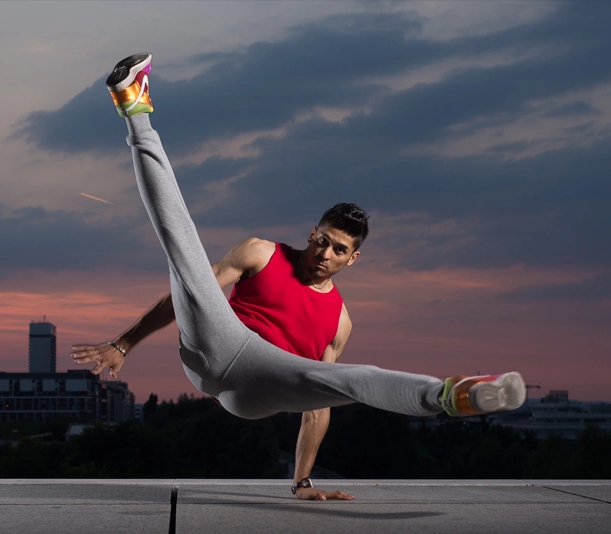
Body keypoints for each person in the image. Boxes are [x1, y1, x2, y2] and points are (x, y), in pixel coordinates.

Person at [71, 53, 526, 501]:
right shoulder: (262, 252)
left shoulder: (340, 320)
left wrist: (302, 480)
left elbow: (317, 401)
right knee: (184, 252)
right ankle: (135, 108)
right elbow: (191, 293)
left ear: (354, 259)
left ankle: (455, 396)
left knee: (352, 377)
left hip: (263, 384)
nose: (325, 254)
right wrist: (123, 343)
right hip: (216, 341)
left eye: (339, 250)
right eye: (322, 241)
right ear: (312, 233)